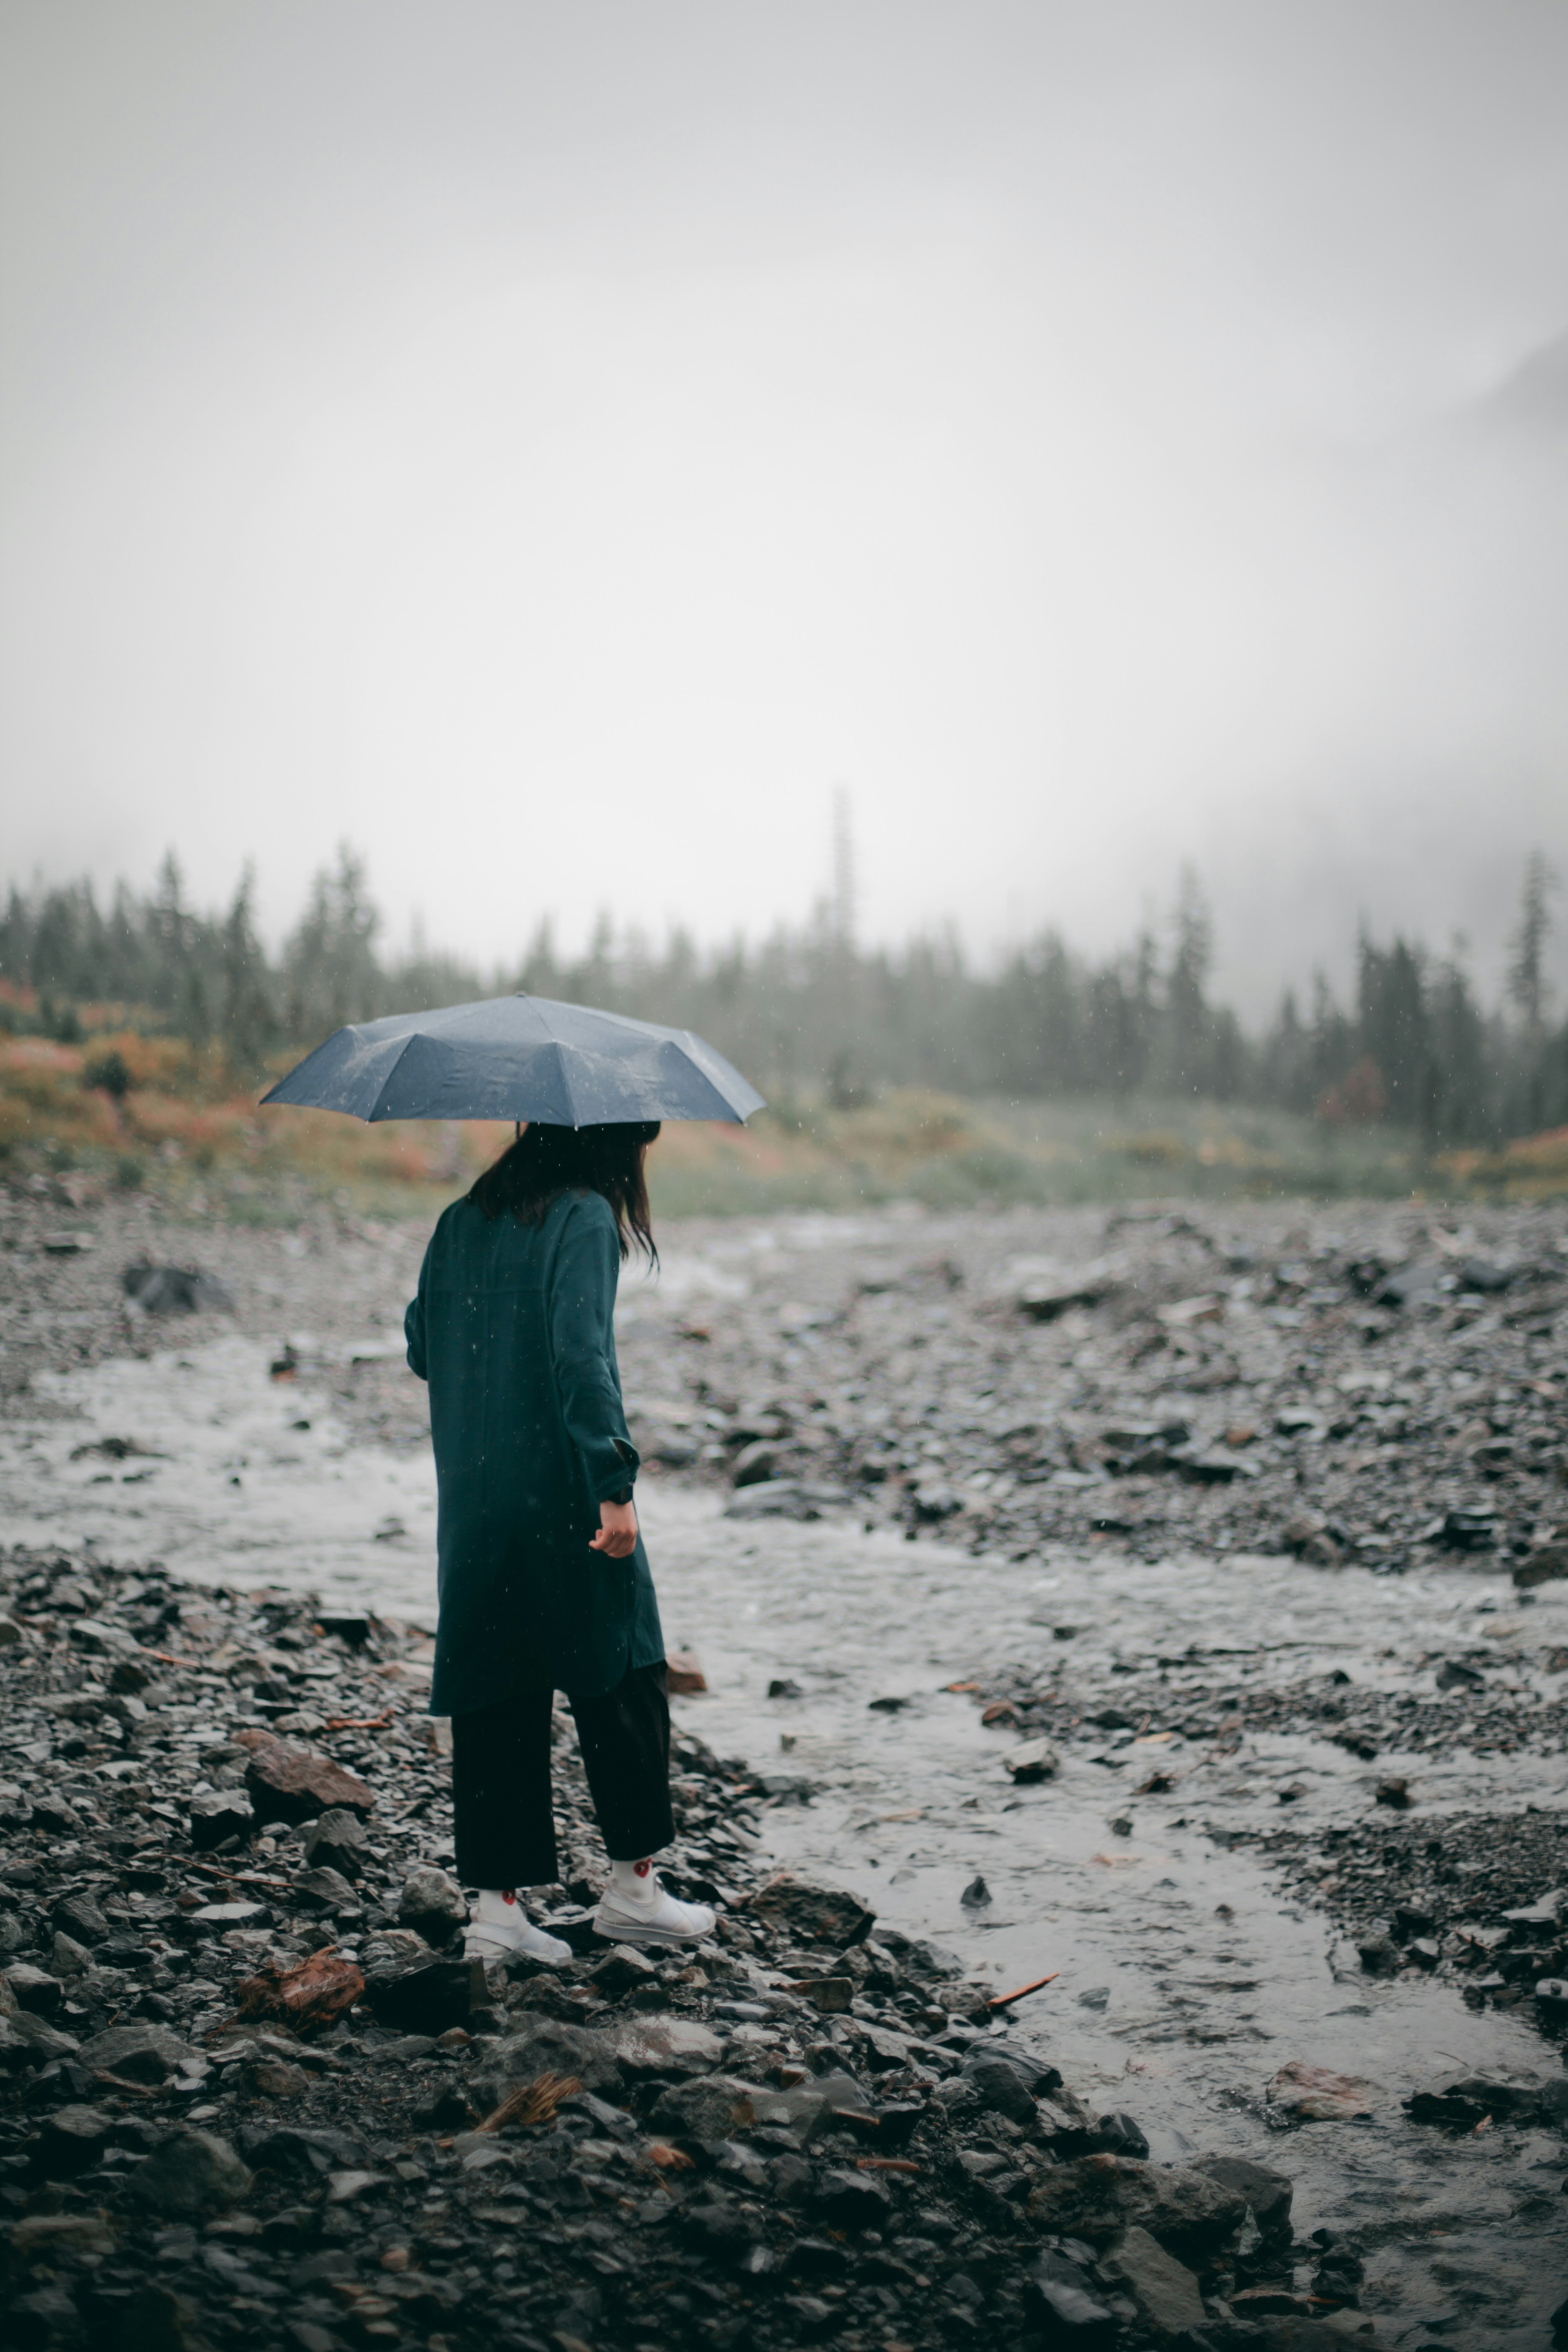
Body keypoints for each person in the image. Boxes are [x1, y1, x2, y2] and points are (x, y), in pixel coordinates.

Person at [403, 1119, 715, 1963]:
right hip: (563, 1497)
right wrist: (613, 1484)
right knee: (623, 1675)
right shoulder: (581, 1217)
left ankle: (497, 1918)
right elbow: (584, 1358)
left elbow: (423, 1346)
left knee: (495, 1692)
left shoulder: (459, 1219)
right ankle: (633, 1894)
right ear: (609, 1144)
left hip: (476, 1505)